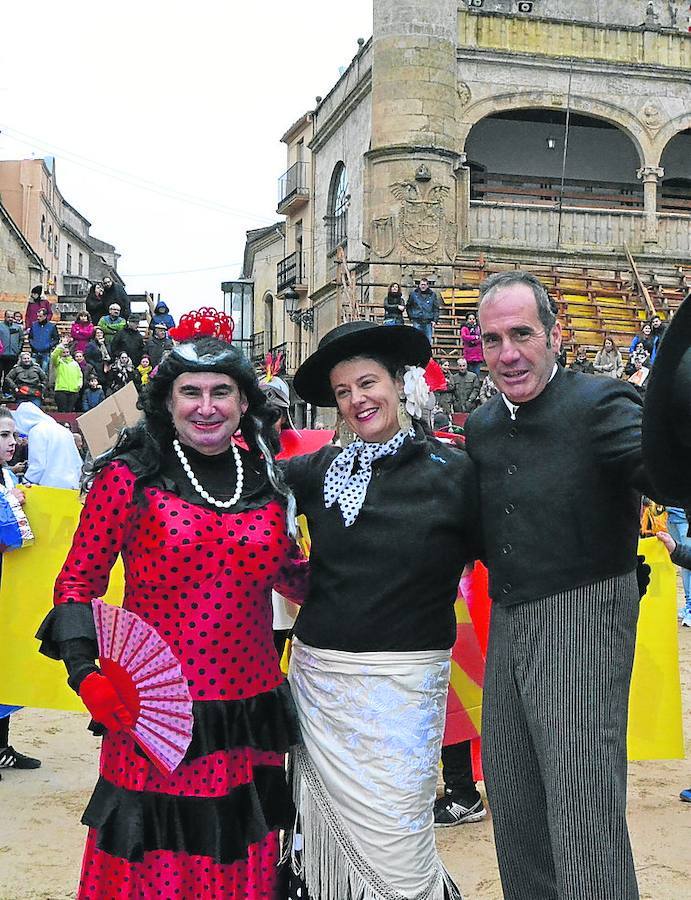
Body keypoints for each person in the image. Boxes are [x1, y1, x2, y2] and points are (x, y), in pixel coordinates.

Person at [36, 311, 305, 898]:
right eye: (191, 392)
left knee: (239, 851)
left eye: (220, 392)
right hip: (158, 714)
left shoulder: (268, 482)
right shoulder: (129, 479)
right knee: (156, 858)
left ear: (242, 402)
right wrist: (86, 676)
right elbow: (77, 584)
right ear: (167, 400)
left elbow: (295, 579)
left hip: (248, 712)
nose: (205, 407)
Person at [464, 270, 655, 900]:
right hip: (511, 618)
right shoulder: (483, 424)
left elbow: (657, 468)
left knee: (582, 805)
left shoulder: (603, 404)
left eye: (522, 333)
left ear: (555, 333)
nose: (508, 353)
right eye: (494, 340)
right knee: (513, 795)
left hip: (586, 613)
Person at [283, 320, 480, 900]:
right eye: (343, 392)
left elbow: (512, 549)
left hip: (407, 682)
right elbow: (237, 497)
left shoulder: (456, 473)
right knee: (325, 831)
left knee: (399, 832)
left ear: (399, 383)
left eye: (367, 383)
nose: (357, 400)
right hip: (321, 682)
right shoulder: (312, 473)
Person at [0, 408, 41, 778]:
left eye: (13, 435)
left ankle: (1, 746)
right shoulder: (9, 485)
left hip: (7, 587)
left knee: (7, 666)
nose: (12, 443)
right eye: (3, 436)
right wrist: (11, 502)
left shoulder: (9, 476)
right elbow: (7, 536)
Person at [13, 403, 83, 489]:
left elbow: (38, 466)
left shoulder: (36, 431)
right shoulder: (63, 430)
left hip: (48, 487)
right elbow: (78, 463)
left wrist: (26, 481)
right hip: (71, 486)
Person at [51, 340, 84, 412]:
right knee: (62, 411)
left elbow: (80, 375)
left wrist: (79, 385)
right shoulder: (58, 362)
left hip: (73, 391)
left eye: (67, 352)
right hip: (61, 390)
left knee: (70, 411)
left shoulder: (75, 363)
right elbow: (54, 356)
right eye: (63, 352)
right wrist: (61, 346)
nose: (65, 354)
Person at [28, 308, 59, 375]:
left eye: (40, 316)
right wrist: (33, 345)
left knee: (44, 372)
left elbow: (56, 339)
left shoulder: (52, 326)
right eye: (37, 316)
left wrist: (49, 346)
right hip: (35, 352)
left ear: (45, 316)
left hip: (46, 352)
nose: (38, 318)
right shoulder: (34, 325)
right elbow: (30, 337)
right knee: (33, 371)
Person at [0, 312, 24, 397]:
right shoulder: (0, 326)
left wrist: (18, 350)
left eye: (11, 317)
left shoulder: (17, 328)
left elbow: (21, 339)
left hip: (13, 355)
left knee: (8, 375)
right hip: (1, 355)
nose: (10, 319)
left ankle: (6, 391)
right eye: (8, 317)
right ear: (4, 317)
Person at [460, 312, 484, 376]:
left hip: (477, 354)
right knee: (469, 374)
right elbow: (464, 337)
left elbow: (481, 338)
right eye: (470, 319)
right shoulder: (464, 328)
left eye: (473, 319)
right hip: (469, 354)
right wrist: (475, 337)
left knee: (477, 374)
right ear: (467, 320)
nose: (472, 320)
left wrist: (474, 340)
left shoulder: (478, 328)